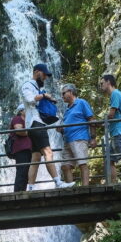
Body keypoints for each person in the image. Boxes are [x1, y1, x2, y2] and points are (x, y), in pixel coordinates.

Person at [21, 63, 75, 192]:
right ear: (37, 72)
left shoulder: (37, 87)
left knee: (35, 158)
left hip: (34, 125)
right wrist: (44, 96)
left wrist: (48, 99)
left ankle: (31, 187)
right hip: (36, 123)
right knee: (48, 153)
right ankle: (58, 182)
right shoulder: (27, 85)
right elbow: (29, 99)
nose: (45, 77)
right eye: (44, 74)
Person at [60, 83, 95, 186]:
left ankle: (85, 188)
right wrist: (61, 129)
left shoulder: (81, 103)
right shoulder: (67, 110)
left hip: (79, 138)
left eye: (63, 93)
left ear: (70, 92)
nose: (62, 96)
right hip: (67, 140)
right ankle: (71, 188)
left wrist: (93, 138)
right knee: (65, 166)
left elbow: (91, 120)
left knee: (82, 164)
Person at [8, 108, 33, 193]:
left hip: (26, 149)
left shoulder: (27, 120)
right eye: (26, 109)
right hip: (21, 149)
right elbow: (18, 130)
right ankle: (18, 193)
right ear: (21, 111)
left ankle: (22, 191)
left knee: (25, 171)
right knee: (22, 171)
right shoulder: (17, 118)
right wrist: (30, 132)